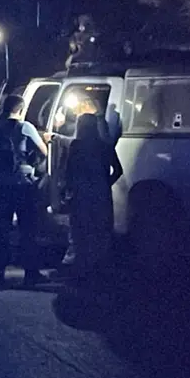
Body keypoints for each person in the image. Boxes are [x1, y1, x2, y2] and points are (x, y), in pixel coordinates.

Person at [0, 94, 50, 286]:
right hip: (21, 184)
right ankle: (31, 273)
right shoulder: (25, 127)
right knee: (27, 229)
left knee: (1, 230)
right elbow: (45, 152)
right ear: (20, 109)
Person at [58, 113, 123, 281]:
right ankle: (99, 269)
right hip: (101, 194)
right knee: (100, 231)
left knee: (81, 232)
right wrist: (105, 183)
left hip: (81, 194)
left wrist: (65, 191)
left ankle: (82, 270)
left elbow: (69, 171)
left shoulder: (77, 146)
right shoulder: (105, 146)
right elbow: (118, 170)